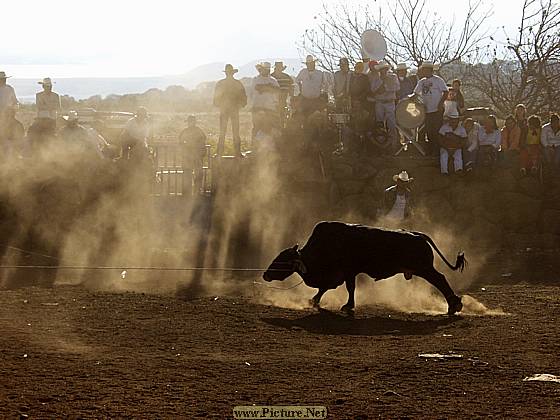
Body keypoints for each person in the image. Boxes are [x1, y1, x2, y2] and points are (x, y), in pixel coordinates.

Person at [213, 64, 247, 157]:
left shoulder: (220, 83)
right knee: (235, 131)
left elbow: (216, 99)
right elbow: (244, 98)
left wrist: (220, 105)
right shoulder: (237, 83)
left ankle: (220, 153)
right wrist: (240, 105)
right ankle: (237, 153)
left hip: (225, 109)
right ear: (232, 73)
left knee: (223, 131)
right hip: (234, 109)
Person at [414, 62, 448, 155]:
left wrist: (440, 104)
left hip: (437, 110)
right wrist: (421, 104)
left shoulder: (438, 80)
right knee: (429, 131)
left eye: (426, 69)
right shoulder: (421, 81)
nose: (424, 71)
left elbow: (445, 92)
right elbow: (415, 94)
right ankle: (430, 150)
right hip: (427, 110)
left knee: (436, 131)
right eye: (423, 69)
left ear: (431, 70)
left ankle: (437, 150)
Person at [371, 61, 400, 151]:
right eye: (381, 69)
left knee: (391, 124)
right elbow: (373, 89)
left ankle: (393, 145)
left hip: (389, 102)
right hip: (379, 102)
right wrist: (381, 87)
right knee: (379, 124)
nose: (383, 71)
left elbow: (397, 87)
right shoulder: (376, 78)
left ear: (387, 69)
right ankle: (381, 145)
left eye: (384, 69)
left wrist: (386, 88)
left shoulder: (393, 77)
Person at [252, 62, 280, 144]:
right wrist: (269, 88)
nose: (265, 71)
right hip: (258, 107)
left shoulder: (273, 80)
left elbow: (277, 90)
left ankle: (267, 149)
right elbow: (257, 88)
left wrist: (264, 88)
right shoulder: (256, 79)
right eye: (264, 69)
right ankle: (255, 148)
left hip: (269, 109)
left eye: (267, 69)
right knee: (257, 128)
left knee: (268, 128)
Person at [179, 115, 207, 190]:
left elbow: (203, 142)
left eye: (191, 121)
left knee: (197, 174)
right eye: (189, 122)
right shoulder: (188, 131)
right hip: (190, 156)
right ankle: (191, 192)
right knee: (189, 174)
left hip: (195, 156)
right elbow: (181, 142)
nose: (190, 123)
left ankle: (196, 192)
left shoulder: (195, 131)